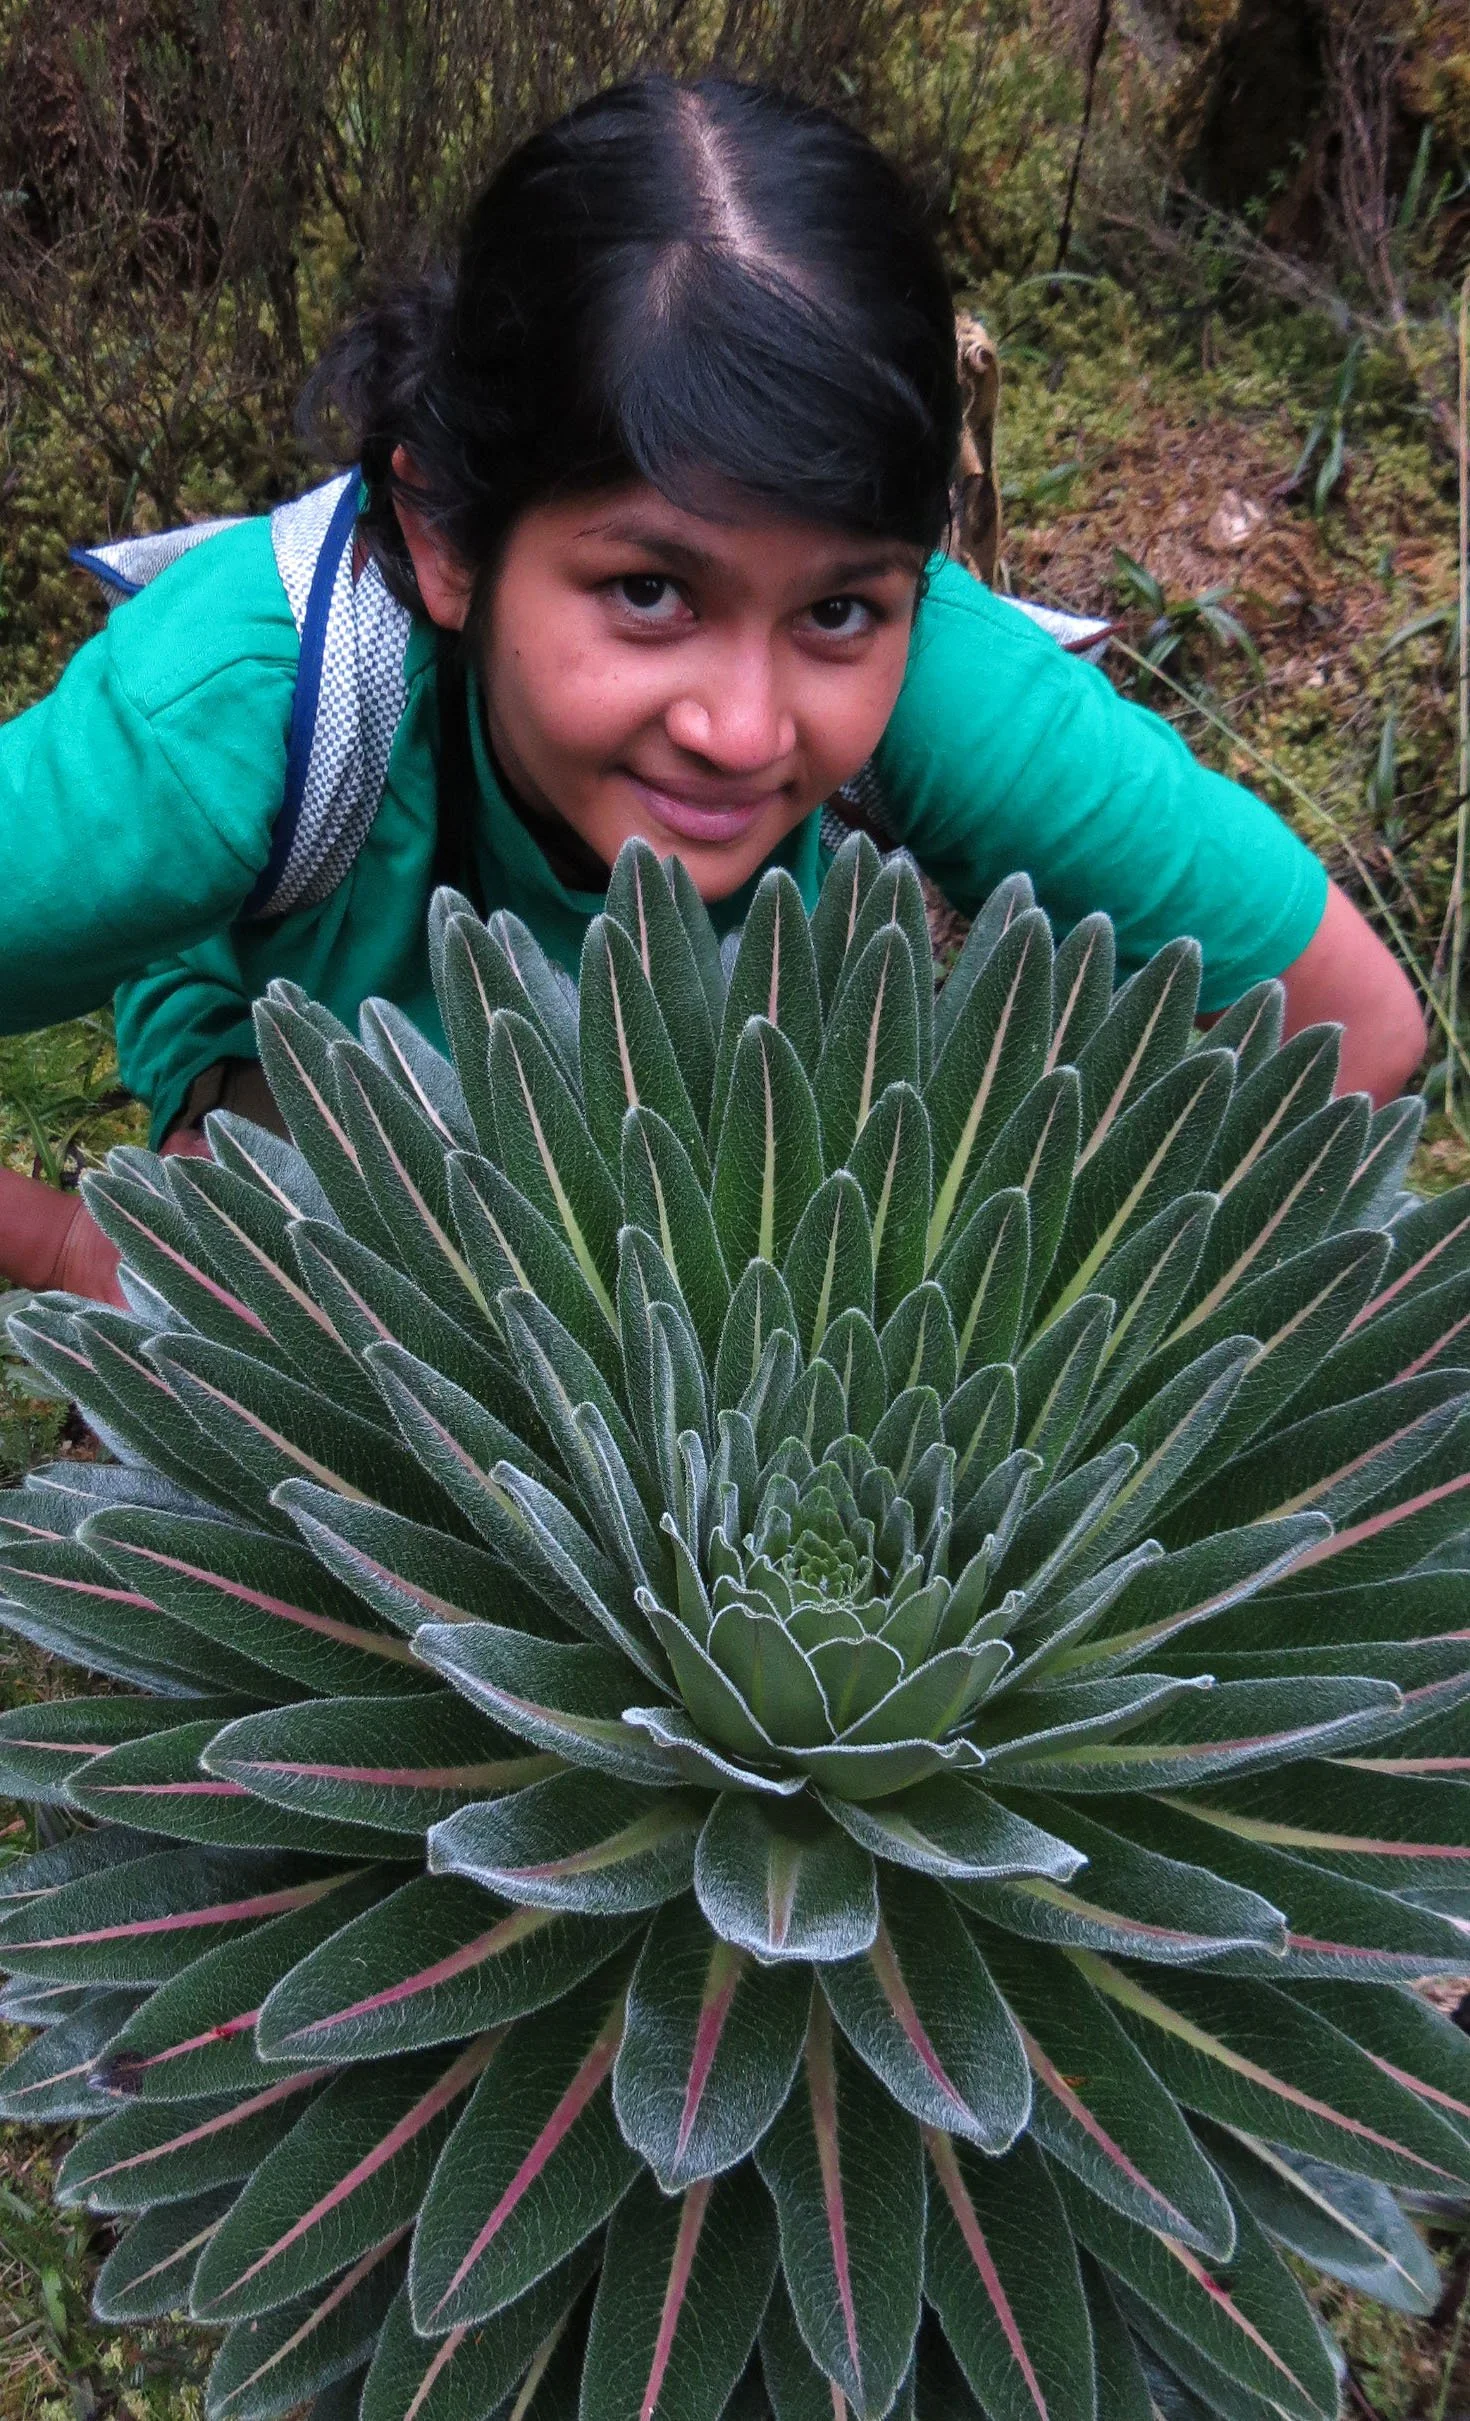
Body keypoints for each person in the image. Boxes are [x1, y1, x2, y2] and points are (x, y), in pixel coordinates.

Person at [0, 74, 1426, 1308]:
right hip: (333, 1052)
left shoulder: (941, 681)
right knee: (288, 1290)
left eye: (836, 609)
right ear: (444, 537)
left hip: (734, 1101)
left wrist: (1052, 1316)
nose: (741, 729)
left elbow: (1355, 1021)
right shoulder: (229, 718)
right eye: (648, 591)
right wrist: (71, 1248)